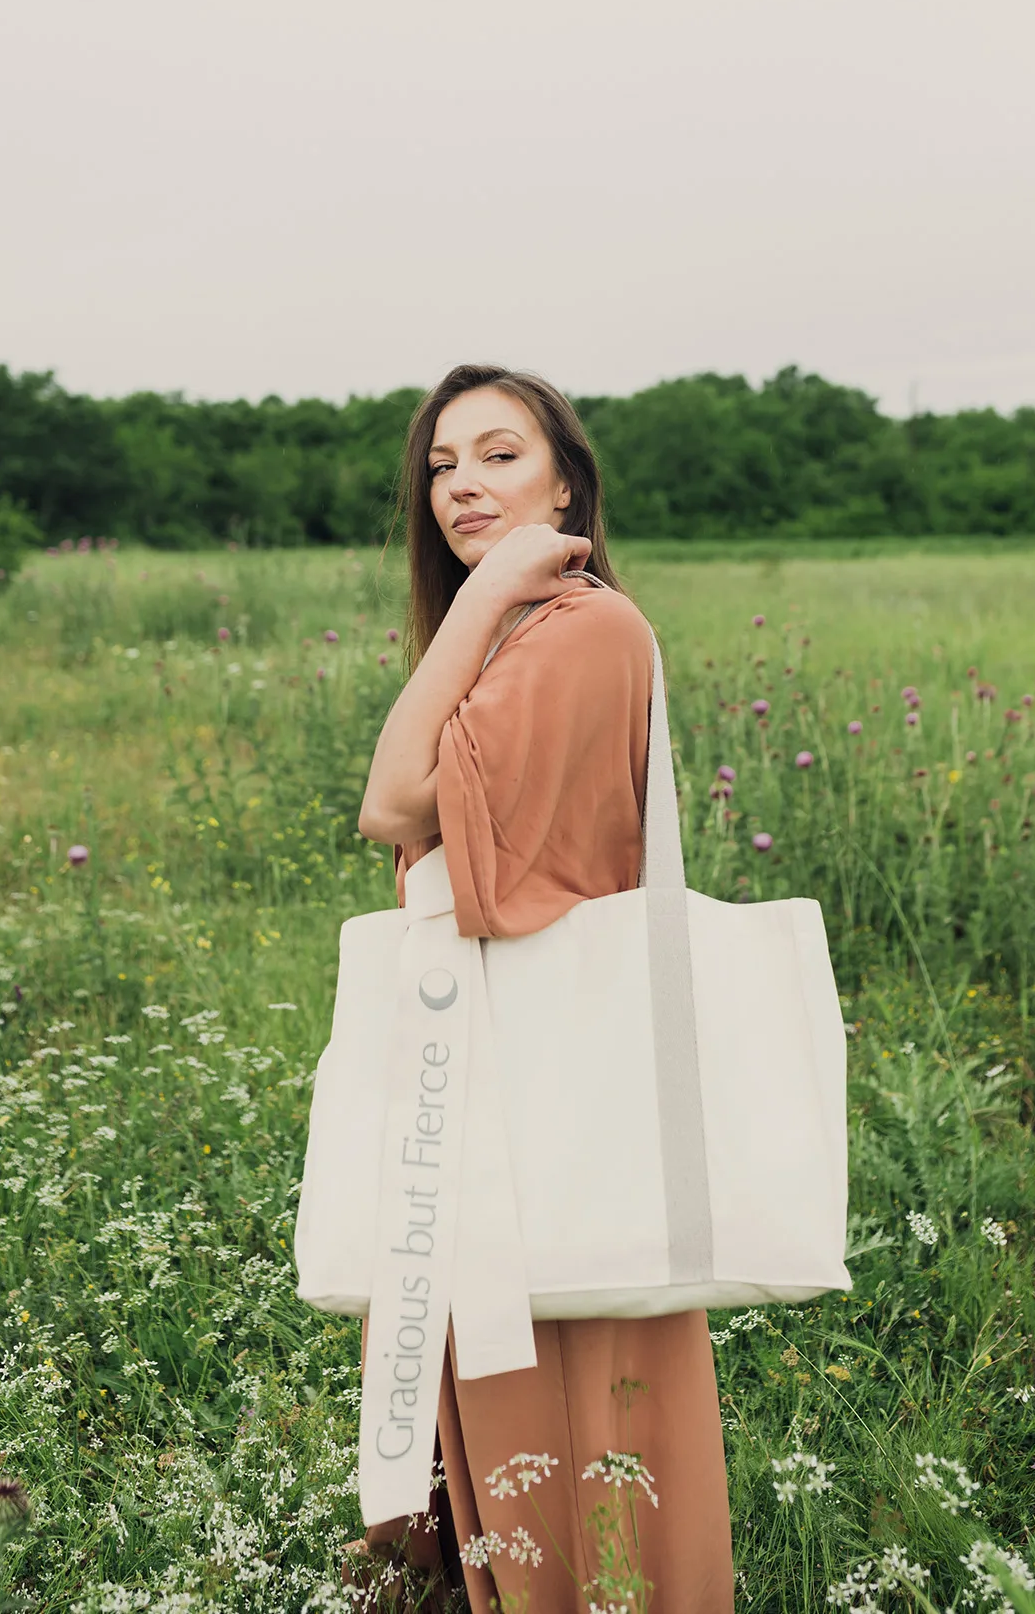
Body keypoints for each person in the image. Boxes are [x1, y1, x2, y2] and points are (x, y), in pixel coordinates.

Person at [353, 363, 734, 1612]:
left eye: (498, 455)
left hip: (555, 1066)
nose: (460, 485)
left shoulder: (580, 627)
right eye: (440, 466)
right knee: (514, 1358)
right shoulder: (523, 626)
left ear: (566, 479)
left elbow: (391, 807)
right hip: (500, 1054)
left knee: (577, 1354)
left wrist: (486, 598)